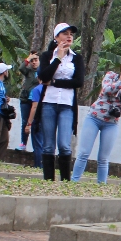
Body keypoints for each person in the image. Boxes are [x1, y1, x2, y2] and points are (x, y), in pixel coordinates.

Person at [72, 56, 121, 183]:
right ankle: (74, 182)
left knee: (103, 158)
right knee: (84, 153)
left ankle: (101, 186)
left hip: (111, 123)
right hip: (94, 118)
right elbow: (107, 90)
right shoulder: (111, 76)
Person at [37, 22, 84, 181]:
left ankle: (65, 181)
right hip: (48, 103)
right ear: (56, 37)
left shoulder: (77, 58)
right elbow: (44, 76)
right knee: (48, 145)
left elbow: (78, 82)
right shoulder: (47, 56)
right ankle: (48, 180)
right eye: (65, 33)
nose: (69, 36)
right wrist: (58, 59)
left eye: (71, 33)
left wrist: (55, 83)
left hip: (66, 105)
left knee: (64, 144)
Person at [16, 52, 40, 152]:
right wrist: (28, 58)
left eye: (36, 60)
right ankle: (23, 143)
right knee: (25, 122)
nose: (34, 62)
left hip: (37, 100)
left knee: (36, 123)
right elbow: (21, 68)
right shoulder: (28, 71)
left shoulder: (42, 71)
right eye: (32, 61)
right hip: (26, 100)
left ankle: (37, 148)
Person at [23, 74, 46, 169]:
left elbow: (34, 107)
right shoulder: (50, 89)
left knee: (37, 145)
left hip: (38, 120)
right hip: (47, 119)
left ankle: (38, 166)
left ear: (38, 78)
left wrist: (29, 123)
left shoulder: (37, 89)